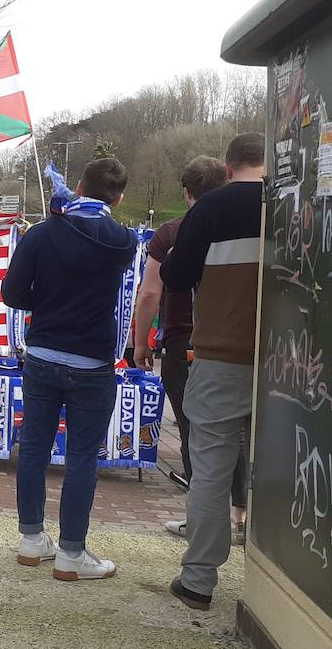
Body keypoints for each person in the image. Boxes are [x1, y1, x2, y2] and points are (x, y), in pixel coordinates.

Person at [2, 157, 137, 582]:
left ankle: (30, 539)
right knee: (81, 458)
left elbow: (12, 293)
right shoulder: (124, 241)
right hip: (93, 362)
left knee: (34, 448)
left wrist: (49, 300)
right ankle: (72, 554)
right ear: (119, 197)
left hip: (43, 355)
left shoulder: (42, 234)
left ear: (77, 185)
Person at [161, 133, 265, 611]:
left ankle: (199, 580)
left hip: (221, 357)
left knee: (210, 472)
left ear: (227, 169)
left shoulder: (210, 209)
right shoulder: (294, 204)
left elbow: (176, 278)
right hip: (291, 365)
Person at [131, 157, 228, 492]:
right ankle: (241, 512)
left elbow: (149, 294)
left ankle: (197, 504)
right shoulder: (239, 224)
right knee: (235, 429)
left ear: (186, 192)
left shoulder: (170, 232)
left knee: (189, 424)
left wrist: (141, 343)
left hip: (182, 341)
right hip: (232, 338)